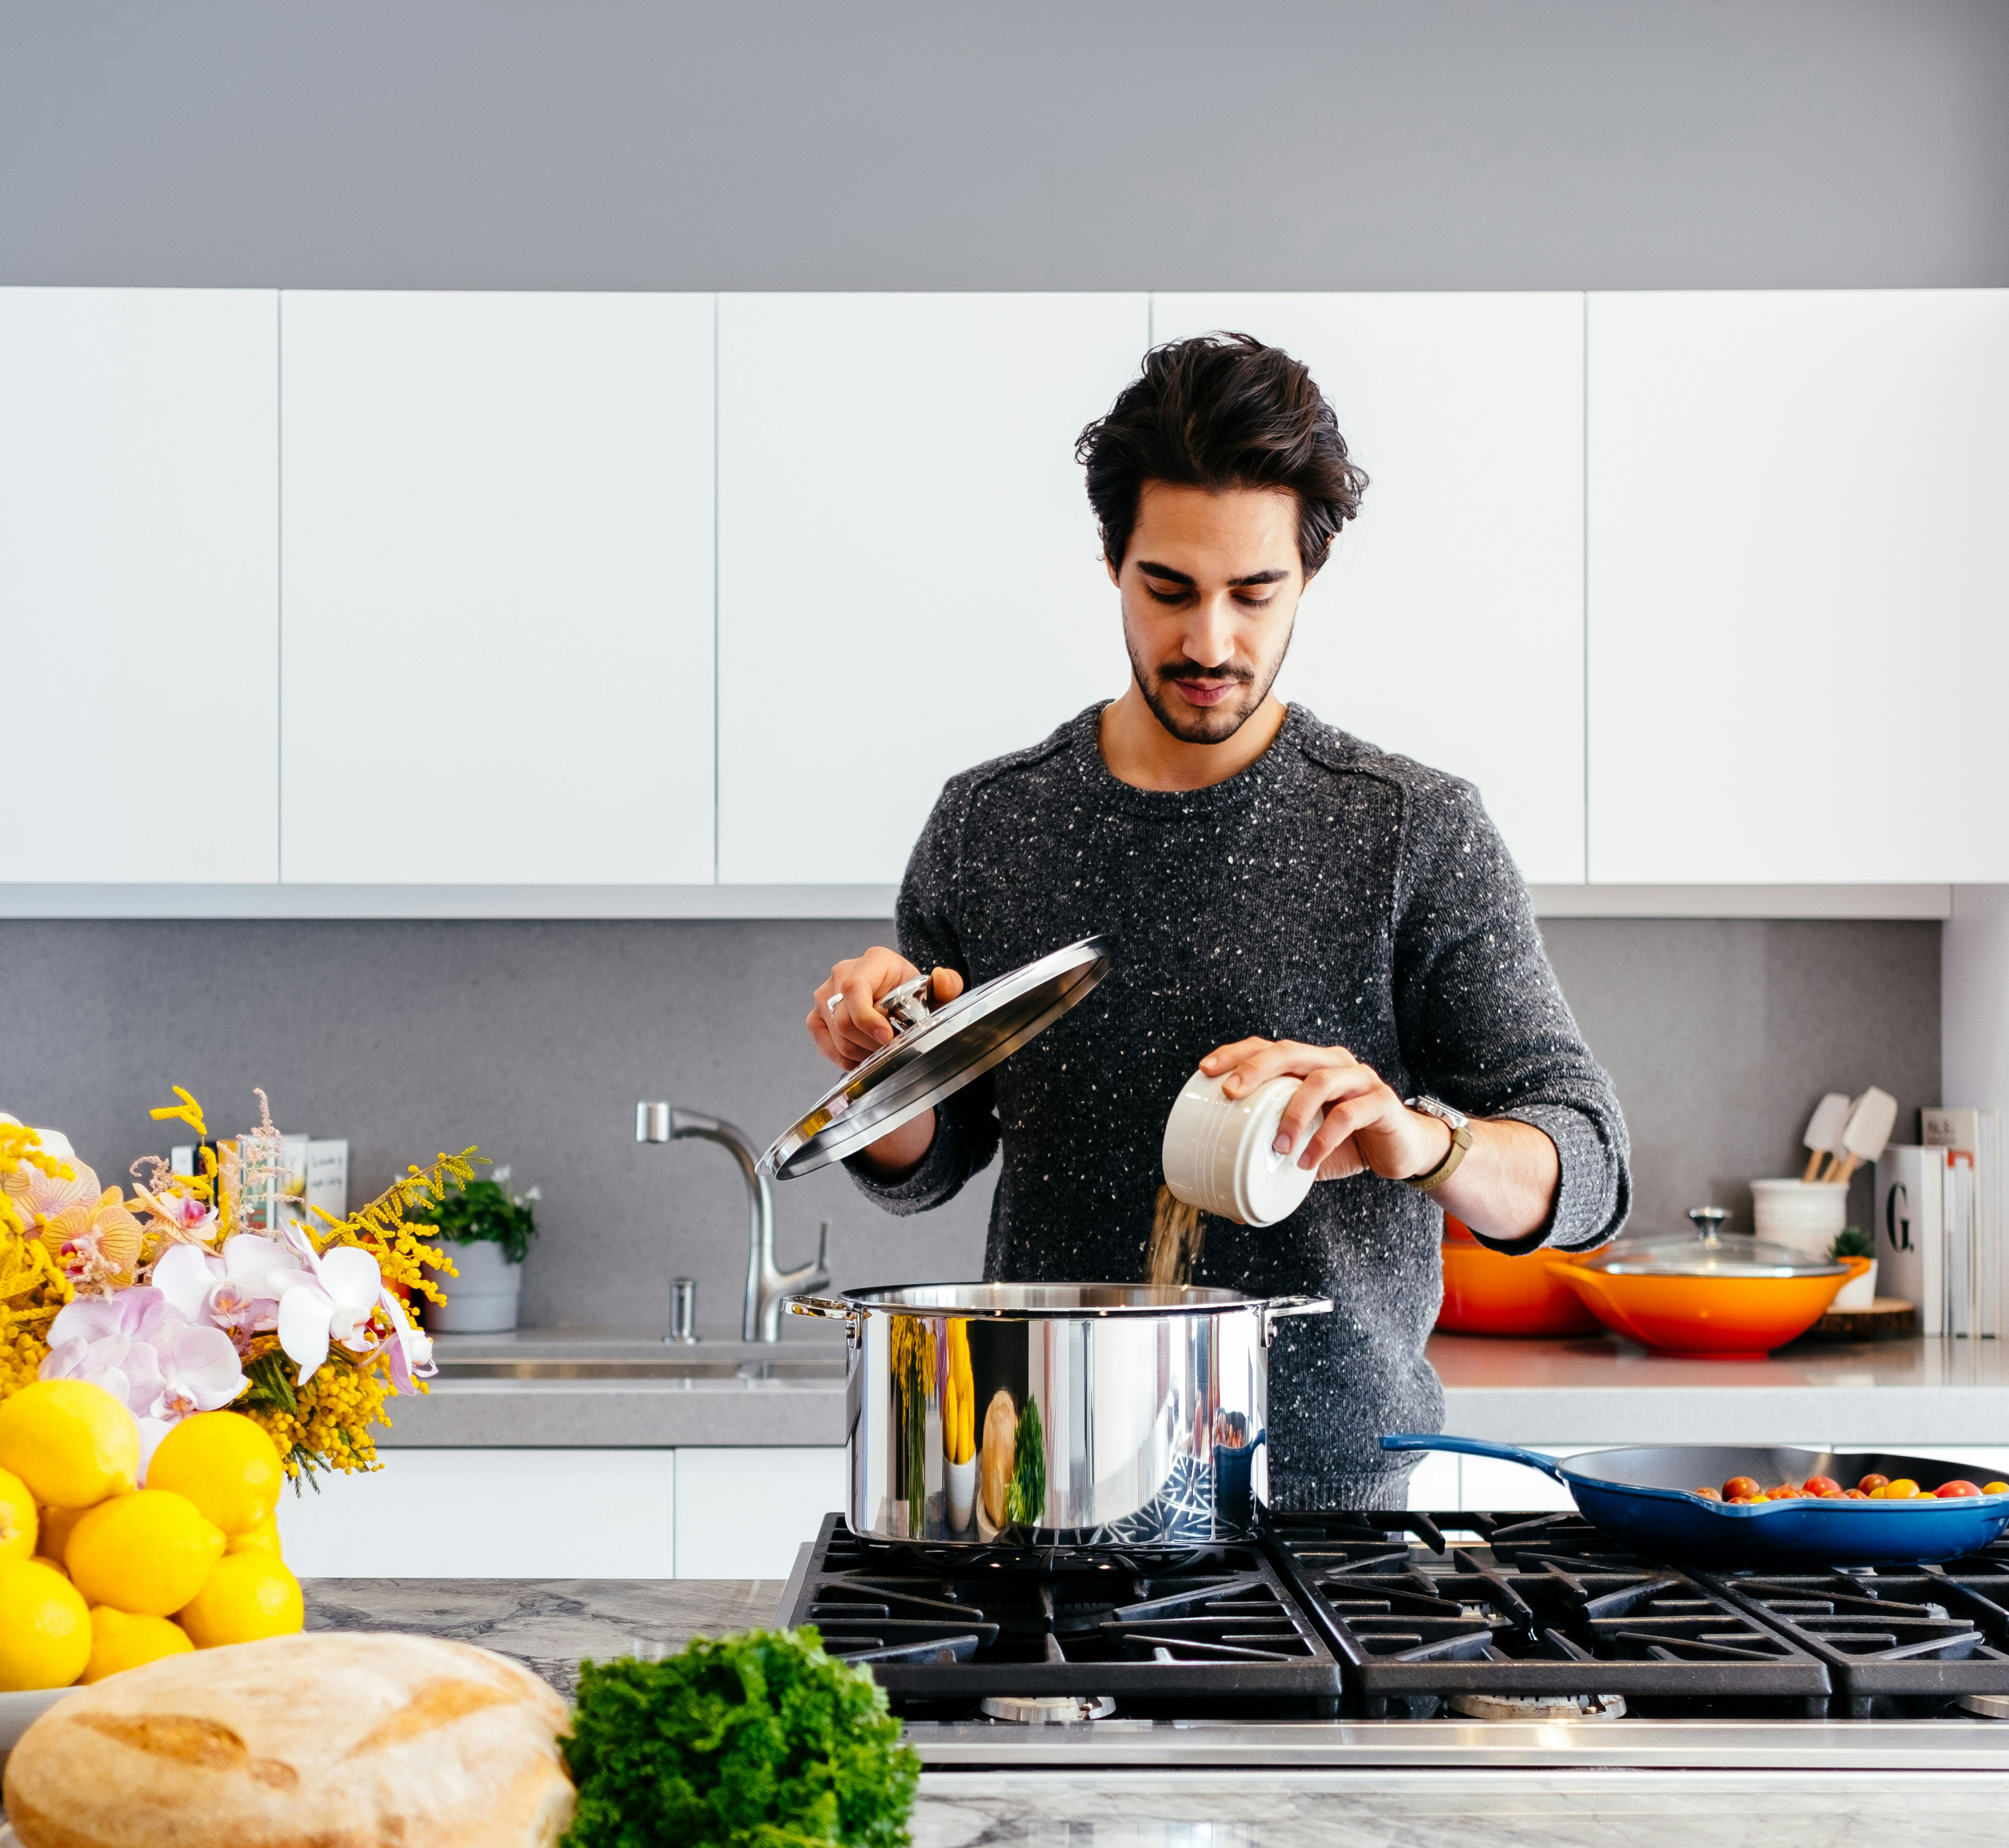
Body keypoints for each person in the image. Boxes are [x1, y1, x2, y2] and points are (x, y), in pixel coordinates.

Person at [805, 332, 1629, 1510]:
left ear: (1309, 572)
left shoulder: (1410, 829)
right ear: (1109, 562)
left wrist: (1418, 1138)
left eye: (1254, 594)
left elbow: (1586, 1163)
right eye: (1168, 590)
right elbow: (932, 1159)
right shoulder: (989, 822)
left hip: (1331, 1507)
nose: (1208, 644)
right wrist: (878, 1082)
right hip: (1045, 1488)